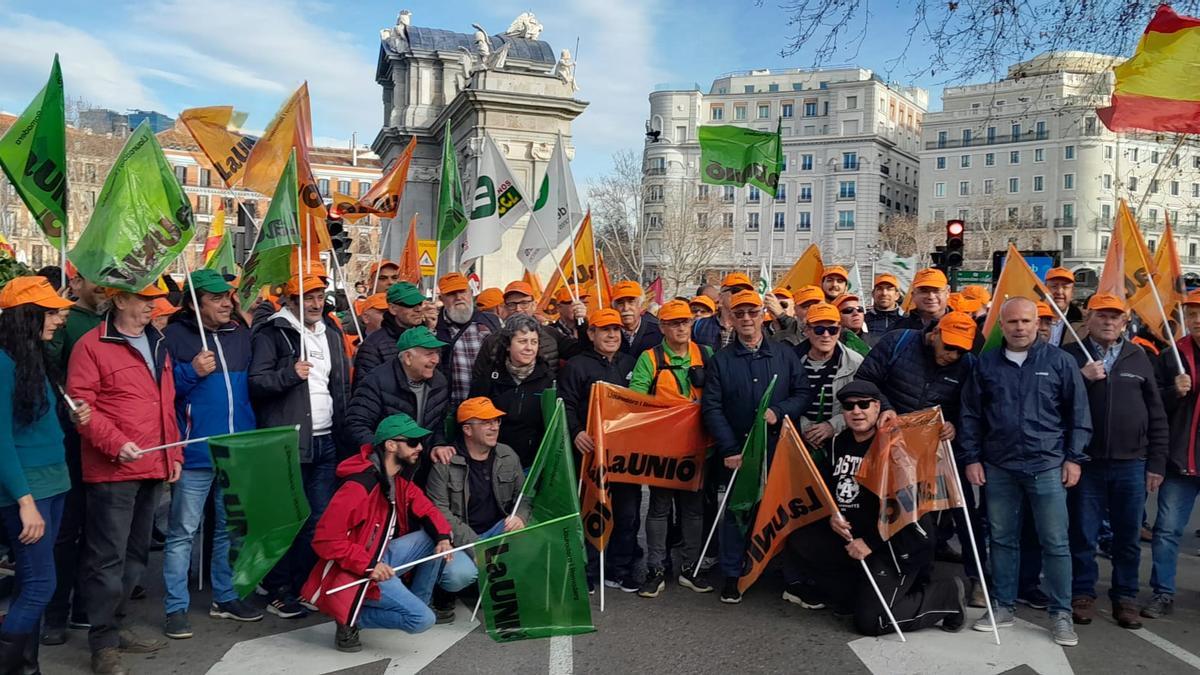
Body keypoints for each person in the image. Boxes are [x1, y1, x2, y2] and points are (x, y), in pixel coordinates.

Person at [960, 297, 1091, 647]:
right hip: (999, 466)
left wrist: (1074, 458)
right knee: (1002, 539)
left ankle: (1061, 613)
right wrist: (972, 458)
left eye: (1026, 321)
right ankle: (1003, 606)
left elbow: (1078, 414)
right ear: (1002, 325)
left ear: (1038, 324)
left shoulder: (1061, 362)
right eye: (1012, 322)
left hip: (1047, 464)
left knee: (1055, 542)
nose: (1019, 328)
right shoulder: (985, 365)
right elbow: (971, 415)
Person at [67, 283, 184, 674]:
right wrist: (116, 444)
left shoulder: (158, 341)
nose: (152, 306)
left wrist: (174, 454)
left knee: (135, 556)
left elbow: (166, 404)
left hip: (152, 464)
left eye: (154, 301)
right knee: (107, 558)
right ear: (120, 300)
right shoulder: (91, 344)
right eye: (144, 299)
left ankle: (113, 629)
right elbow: (81, 406)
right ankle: (102, 642)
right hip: (113, 469)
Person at [792, 380, 968, 633]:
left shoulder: (896, 445)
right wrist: (833, 514)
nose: (856, 411)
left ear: (877, 408)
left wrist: (871, 542)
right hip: (856, 536)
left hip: (897, 545)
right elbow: (830, 487)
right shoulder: (837, 443)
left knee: (871, 622)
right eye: (849, 406)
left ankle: (947, 596)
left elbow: (907, 509)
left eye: (864, 404)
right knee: (802, 539)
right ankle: (854, 592)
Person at [300, 414, 473, 653]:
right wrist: (370, 565)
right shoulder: (357, 487)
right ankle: (351, 618)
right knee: (422, 621)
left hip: (378, 557)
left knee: (431, 538)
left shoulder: (396, 480)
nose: (420, 448)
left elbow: (428, 510)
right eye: (413, 442)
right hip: (355, 570)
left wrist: (443, 537)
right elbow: (325, 540)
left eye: (420, 442)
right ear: (391, 446)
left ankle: (418, 601)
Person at [854, 311, 985, 603]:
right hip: (889, 443)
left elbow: (971, 407)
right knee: (884, 508)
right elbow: (865, 379)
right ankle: (879, 571)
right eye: (948, 346)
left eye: (961, 350)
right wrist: (884, 406)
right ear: (935, 333)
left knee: (960, 510)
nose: (952, 355)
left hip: (933, 448)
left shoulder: (967, 364)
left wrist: (955, 424)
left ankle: (976, 577)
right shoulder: (897, 342)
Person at [161, 270, 263, 640]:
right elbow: (161, 393)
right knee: (183, 532)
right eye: (216, 298)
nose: (226, 303)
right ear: (193, 303)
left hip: (237, 450)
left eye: (228, 297)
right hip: (196, 452)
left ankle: (225, 596)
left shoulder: (240, 333)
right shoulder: (173, 336)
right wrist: (191, 372)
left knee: (231, 529)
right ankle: (175, 607)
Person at [1060, 293, 1167, 629]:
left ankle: (1125, 597)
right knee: (1083, 534)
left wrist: (1157, 462)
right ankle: (1082, 593)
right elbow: (1051, 402)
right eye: (1102, 315)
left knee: (1127, 536)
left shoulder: (1139, 356)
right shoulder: (1070, 354)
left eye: (1115, 317)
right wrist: (1081, 376)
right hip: (1086, 462)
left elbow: (1156, 414)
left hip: (1131, 463)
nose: (1108, 322)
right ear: (1088, 318)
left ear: (1125, 322)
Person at [249, 273, 352, 618]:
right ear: (289, 300)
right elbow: (257, 383)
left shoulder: (332, 332)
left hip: (326, 439)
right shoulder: (272, 333)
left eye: (320, 296)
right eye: (307, 296)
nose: (315, 303)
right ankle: (277, 588)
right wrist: (289, 374)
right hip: (288, 440)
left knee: (318, 519)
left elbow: (340, 385)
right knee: (285, 518)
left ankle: (303, 584)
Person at [701, 290, 810, 604]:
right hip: (740, 451)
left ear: (763, 314)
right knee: (738, 513)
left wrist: (782, 411)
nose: (746, 319)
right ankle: (733, 574)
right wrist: (729, 448)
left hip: (778, 448)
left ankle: (788, 576)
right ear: (731, 318)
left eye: (752, 312)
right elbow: (712, 407)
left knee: (782, 512)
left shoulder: (784, 354)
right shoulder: (721, 361)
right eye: (740, 314)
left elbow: (802, 392)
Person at [0, 277, 81, 674]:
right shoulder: (2, 363)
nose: (59, 318)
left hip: (53, 483)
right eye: (50, 312)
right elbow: (1, 441)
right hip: (29, 492)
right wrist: (25, 501)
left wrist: (74, 413)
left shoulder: (33, 357)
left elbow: (37, 425)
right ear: (25, 316)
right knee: (40, 586)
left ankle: (27, 669)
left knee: (29, 584)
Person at [628, 300, 713, 596]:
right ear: (662, 327)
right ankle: (656, 568)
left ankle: (691, 567)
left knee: (693, 510)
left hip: (697, 447)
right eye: (674, 323)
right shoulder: (649, 359)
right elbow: (636, 401)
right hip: (662, 448)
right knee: (659, 508)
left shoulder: (705, 354)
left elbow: (717, 394)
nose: (681, 328)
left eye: (685, 322)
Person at [43, 270, 108, 645]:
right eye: (95, 280)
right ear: (77, 282)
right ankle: (55, 613)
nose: (103, 288)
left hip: (100, 438)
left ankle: (87, 605)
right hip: (69, 436)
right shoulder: (68, 320)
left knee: (97, 530)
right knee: (66, 530)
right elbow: (50, 364)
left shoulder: (108, 319)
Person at [425, 398, 530, 621]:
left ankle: (486, 584)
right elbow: (439, 510)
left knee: (532, 541)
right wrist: (477, 548)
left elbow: (524, 494)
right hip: (460, 539)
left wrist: (520, 516)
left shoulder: (507, 454)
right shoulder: (446, 461)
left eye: (496, 421)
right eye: (485, 422)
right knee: (458, 575)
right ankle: (446, 593)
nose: (494, 427)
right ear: (467, 429)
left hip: (495, 530)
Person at [559, 309, 638, 591]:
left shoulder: (631, 363)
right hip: (590, 454)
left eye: (616, 330)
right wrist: (576, 431)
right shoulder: (576, 366)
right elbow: (564, 403)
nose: (611, 335)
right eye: (604, 330)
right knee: (592, 510)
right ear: (591, 333)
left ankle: (620, 569)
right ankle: (590, 569)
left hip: (626, 455)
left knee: (627, 514)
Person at [1144, 290, 1200, 620]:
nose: (1197, 320)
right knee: (1166, 530)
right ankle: (1163, 592)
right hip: (1181, 460)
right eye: (1191, 314)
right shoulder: (1173, 356)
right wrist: (1173, 392)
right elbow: (1154, 408)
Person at [346, 326, 454, 486]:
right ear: (408, 357)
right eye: (429, 354)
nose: (436, 360)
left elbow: (437, 422)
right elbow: (356, 424)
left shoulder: (439, 382)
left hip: (421, 467)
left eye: (437, 353)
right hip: (384, 470)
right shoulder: (376, 381)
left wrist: (438, 445)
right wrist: (386, 455)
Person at [468, 315, 556, 468]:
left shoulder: (547, 379)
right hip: (492, 461)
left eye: (534, 342)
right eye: (522, 341)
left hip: (531, 463)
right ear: (508, 344)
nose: (529, 347)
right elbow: (473, 413)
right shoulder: (490, 375)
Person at [795, 303, 864, 453]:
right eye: (819, 329)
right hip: (796, 442)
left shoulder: (855, 362)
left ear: (839, 330)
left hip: (841, 444)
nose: (826, 335)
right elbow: (782, 398)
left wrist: (832, 426)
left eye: (832, 329)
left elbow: (864, 405)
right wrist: (802, 427)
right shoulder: (790, 360)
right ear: (807, 330)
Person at [436, 274, 501, 407]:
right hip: (452, 408)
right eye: (451, 293)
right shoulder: (435, 326)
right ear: (441, 298)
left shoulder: (490, 321)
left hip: (489, 407)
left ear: (471, 293)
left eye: (462, 291)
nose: (458, 297)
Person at [354, 281, 426, 385]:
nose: (418, 309)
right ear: (393, 309)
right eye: (410, 305)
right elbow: (364, 389)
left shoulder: (429, 337)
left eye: (420, 303)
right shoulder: (373, 345)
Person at [692, 273, 752, 351]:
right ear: (720, 297)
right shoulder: (700, 325)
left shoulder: (754, 327)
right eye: (736, 291)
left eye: (747, 293)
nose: (742, 295)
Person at [611, 280, 662, 357]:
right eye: (620, 303)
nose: (626, 308)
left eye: (631, 302)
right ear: (614, 308)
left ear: (641, 306)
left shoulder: (659, 332)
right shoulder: (607, 336)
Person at [1045, 267, 1084, 347]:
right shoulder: (1033, 318)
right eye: (1054, 286)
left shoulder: (1083, 321)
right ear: (1045, 290)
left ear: (1072, 292)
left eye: (1065, 287)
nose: (1059, 292)